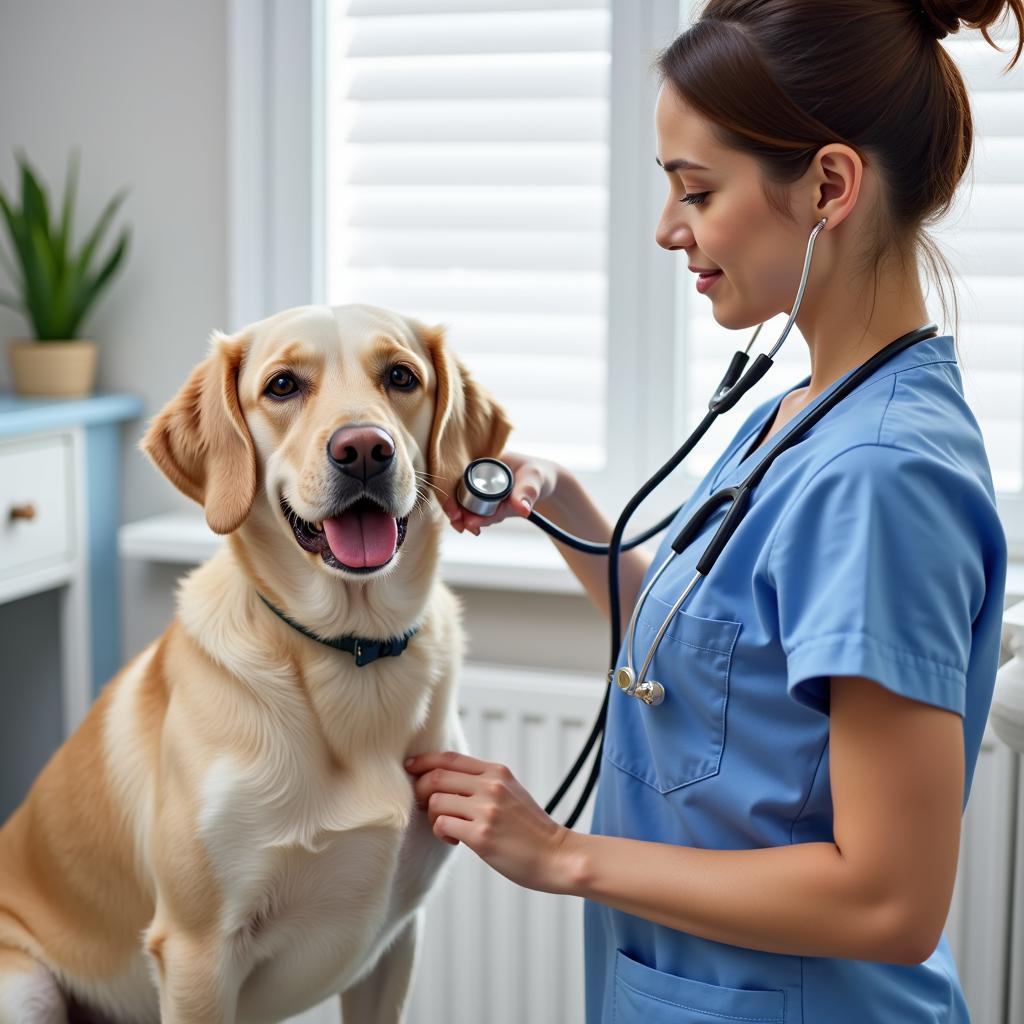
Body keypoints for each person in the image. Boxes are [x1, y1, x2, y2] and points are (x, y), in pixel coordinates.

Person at [404, 1, 1022, 1019]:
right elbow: (727, 655)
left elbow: (887, 899)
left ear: (828, 185)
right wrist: (565, 506)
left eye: (695, 190)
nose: (665, 229)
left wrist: (562, 855)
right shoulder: (802, 407)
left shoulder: (879, 475)